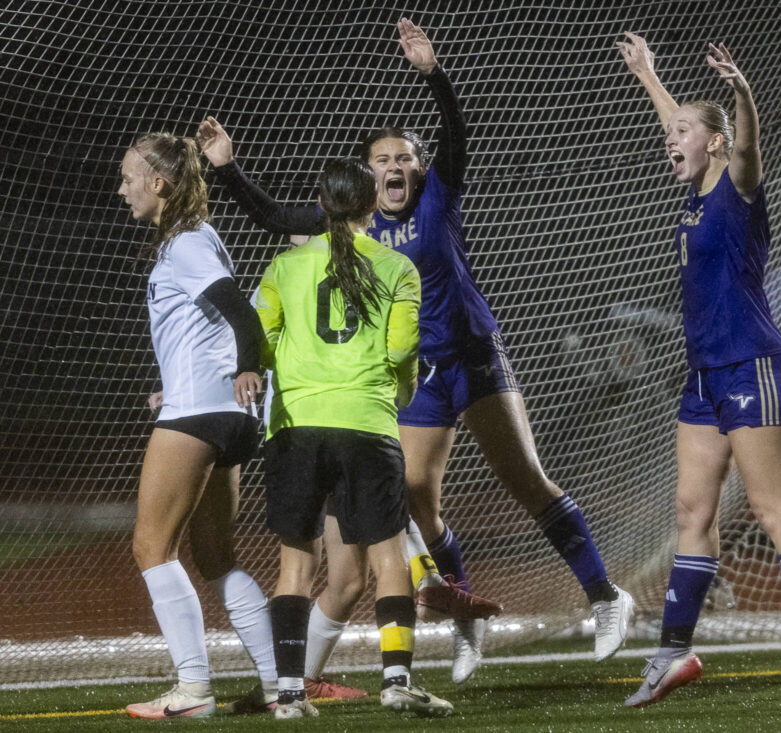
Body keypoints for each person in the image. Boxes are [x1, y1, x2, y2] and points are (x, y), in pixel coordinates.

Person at [196, 17, 632, 684]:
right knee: (416, 500)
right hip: (415, 375)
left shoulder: (439, 197)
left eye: (405, 157)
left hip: (474, 358)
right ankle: (466, 621)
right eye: (383, 159)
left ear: (419, 168)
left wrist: (435, 75)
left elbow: (457, 135)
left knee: (526, 481)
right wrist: (228, 171)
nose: (396, 166)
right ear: (366, 178)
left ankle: (605, 595)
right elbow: (276, 218)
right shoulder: (352, 221)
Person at [617, 34, 781, 709]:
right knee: (692, 510)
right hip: (704, 375)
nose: (673, 139)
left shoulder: (737, 188)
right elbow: (681, 126)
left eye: (688, 132)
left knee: (774, 510)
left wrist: (743, 93)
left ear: (716, 143)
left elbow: (745, 146)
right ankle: (673, 653)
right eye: (674, 132)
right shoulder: (693, 191)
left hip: (755, 364)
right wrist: (651, 78)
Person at [255, 155, 451, 718]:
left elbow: (262, 341)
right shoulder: (397, 267)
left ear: (321, 203)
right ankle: (396, 681)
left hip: (296, 427)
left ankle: (290, 694)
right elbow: (401, 351)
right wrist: (402, 393)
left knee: (295, 566)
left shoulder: (285, 266)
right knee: (389, 557)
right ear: (372, 207)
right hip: (366, 422)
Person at [117, 132, 277, 718]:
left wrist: (245, 370)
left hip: (203, 412)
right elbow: (206, 327)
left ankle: (193, 691)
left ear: (158, 184)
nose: (122, 188)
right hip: (220, 411)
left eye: (129, 176)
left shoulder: (185, 244)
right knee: (216, 555)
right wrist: (189, 382)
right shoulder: (192, 240)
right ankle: (282, 688)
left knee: (151, 546)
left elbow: (241, 313)